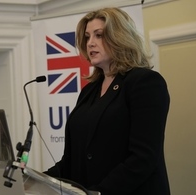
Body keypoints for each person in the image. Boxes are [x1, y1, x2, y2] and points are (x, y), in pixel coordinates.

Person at [43, 7, 171, 195]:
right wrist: (34, 178)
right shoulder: (89, 91)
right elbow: (72, 161)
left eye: (99, 35)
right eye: (87, 37)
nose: (91, 43)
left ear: (120, 37)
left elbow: (143, 158)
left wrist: (99, 192)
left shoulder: (145, 83)